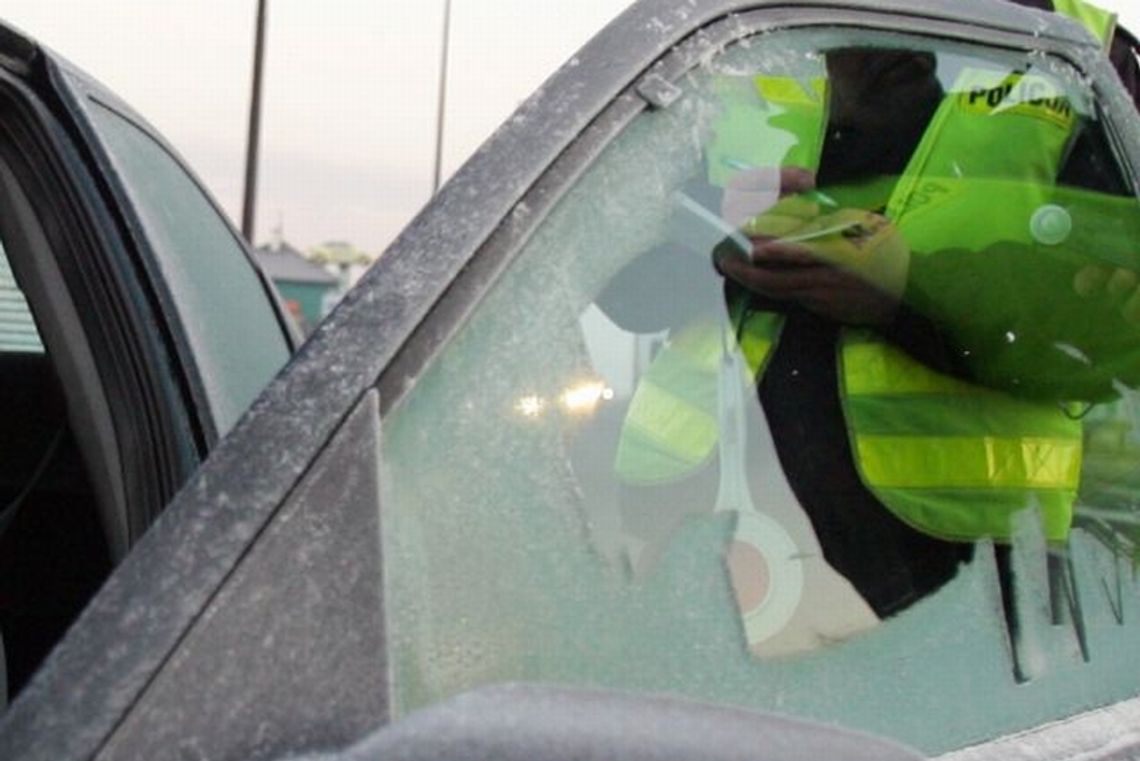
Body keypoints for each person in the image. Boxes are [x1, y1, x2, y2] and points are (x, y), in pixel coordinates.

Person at [599, 0, 1140, 658]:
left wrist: (910, 291)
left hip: (969, 604)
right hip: (703, 550)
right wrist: (710, 230)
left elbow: (1117, 323)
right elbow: (594, 273)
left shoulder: (1082, 52)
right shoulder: (743, 39)